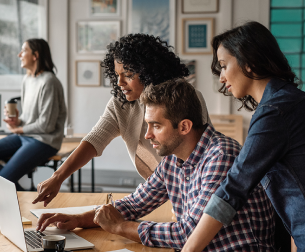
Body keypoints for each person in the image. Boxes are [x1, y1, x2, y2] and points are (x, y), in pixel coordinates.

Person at [36, 79, 276, 251]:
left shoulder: (220, 155)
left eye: (156, 126)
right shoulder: (173, 159)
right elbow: (135, 203)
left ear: (184, 127)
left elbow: (186, 234)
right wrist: (79, 219)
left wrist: (121, 228)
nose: (147, 135)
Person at [33, 34, 211, 206]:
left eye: (128, 74)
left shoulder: (184, 98)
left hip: (194, 189)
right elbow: (95, 139)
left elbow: (200, 154)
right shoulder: (122, 103)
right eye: (117, 74)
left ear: (149, 71)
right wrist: (57, 178)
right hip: (158, 190)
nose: (119, 82)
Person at [181, 21, 305, 252]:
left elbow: (234, 187)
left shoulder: (275, 112)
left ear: (250, 61)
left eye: (224, 65)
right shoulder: (288, 101)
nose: (221, 77)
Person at [0, 38, 66, 191]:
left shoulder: (49, 82)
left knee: (4, 181)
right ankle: (18, 196)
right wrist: (17, 121)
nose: (19, 55)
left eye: (23, 51)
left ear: (35, 55)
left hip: (44, 141)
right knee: (4, 181)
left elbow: (46, 125)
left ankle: (21, 205)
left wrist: (19, 129)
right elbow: (29, 119)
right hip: (25, 137)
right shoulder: (27, 79)